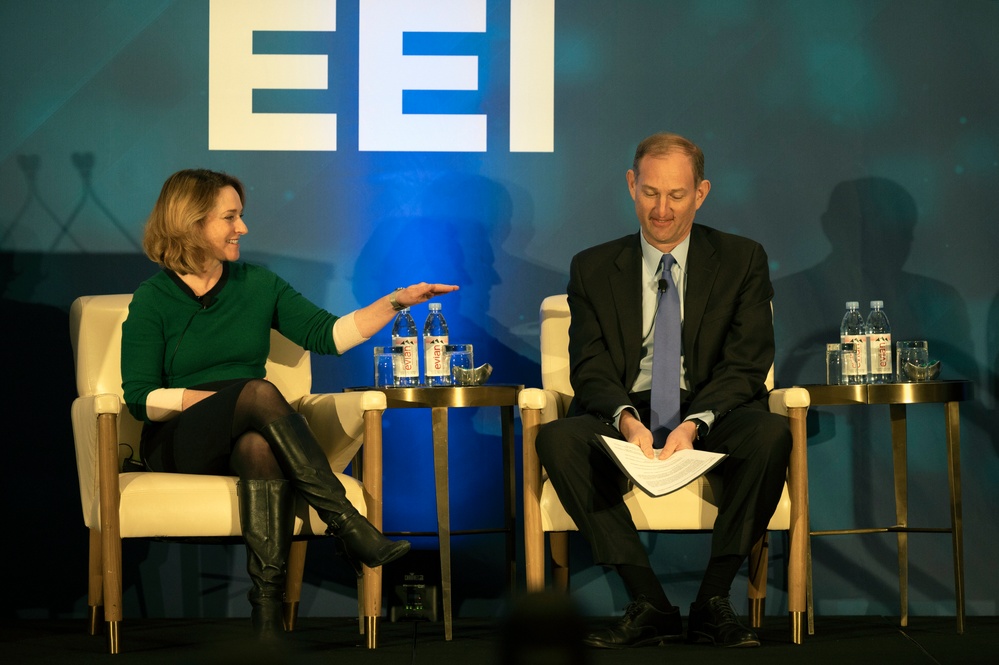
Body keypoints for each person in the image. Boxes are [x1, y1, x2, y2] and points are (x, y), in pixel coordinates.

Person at [120, 169, 458, 640]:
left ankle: (266, 615)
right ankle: (345, 522)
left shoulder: (258, 284)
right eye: (231, 217)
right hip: (180, 441)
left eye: (241, 216)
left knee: (260, 446)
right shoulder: (153, 298)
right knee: (257, 391)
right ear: (192, 222)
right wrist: (216, 400)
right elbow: (139, 398)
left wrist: (398, 302)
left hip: (244, 436)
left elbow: (329, 335)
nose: (243, 228)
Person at [536, 133, 791, 649]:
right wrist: (626, 420)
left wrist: (695, 424)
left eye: (677, 195)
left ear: (701, 193)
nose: (662, 209)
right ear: (632, 186)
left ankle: (713, 602)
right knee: (557, 439)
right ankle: (647, 599)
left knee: (769, 435)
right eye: (651, 192)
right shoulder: (592, 266)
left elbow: (746, 364)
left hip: (712, 412)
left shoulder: (743, 260)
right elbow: (589, 365)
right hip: (627, 410)